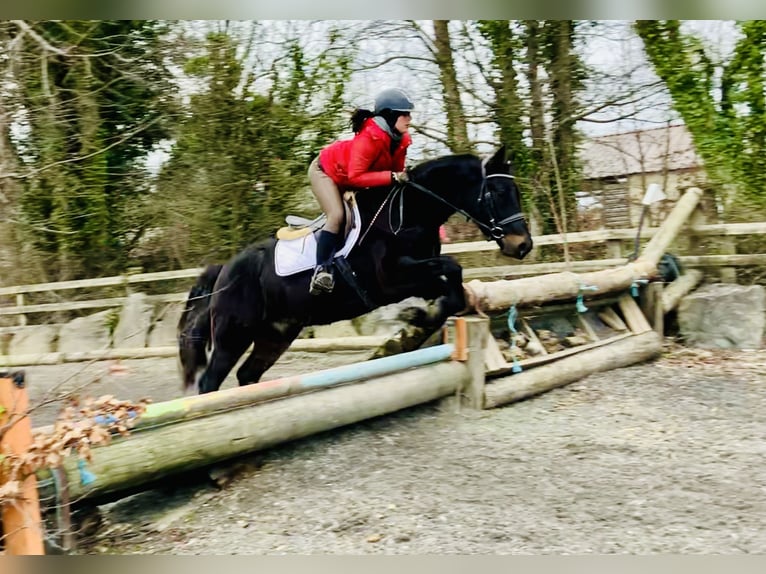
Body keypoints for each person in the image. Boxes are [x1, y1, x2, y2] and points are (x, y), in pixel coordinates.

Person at [307, 87, 414, 295]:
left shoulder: (401, 141)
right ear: (391, 116)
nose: (409, 118)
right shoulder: (369, 138)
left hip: (348, 177)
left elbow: (396, 175)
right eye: (405, 114)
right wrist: (392, 177)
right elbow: (357, 176)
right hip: (325, 171)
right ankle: (321, 270)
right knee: (337, 216)